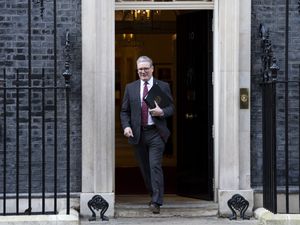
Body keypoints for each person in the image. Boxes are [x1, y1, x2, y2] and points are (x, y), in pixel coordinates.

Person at [120, 56, 174, 214]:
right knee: (145, 169)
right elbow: (124, 111)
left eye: (145, 68)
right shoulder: (131, 88)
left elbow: (172, 108)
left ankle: (157, 201)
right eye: (140, 69)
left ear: (152, 69)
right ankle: (153, 195)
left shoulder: (162, 86)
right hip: (138, 134)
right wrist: (126, 126)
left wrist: (161, 111)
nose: (142, 71)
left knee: (155, 166)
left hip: (156, 133)